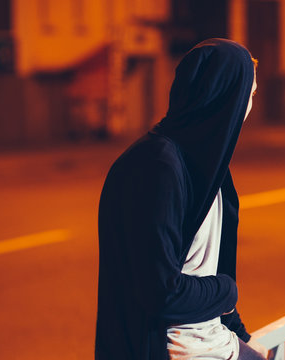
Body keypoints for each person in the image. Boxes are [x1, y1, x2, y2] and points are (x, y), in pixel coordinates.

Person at [95, 38, 267, 360]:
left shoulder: (206, 164)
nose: (250, 105)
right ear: (227, 96)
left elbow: (207, 267)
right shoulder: (157, 167)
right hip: (167, 350)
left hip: (208, 340)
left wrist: (240, 332)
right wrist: (227, 290)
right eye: (250, 93)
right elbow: (161, 291)